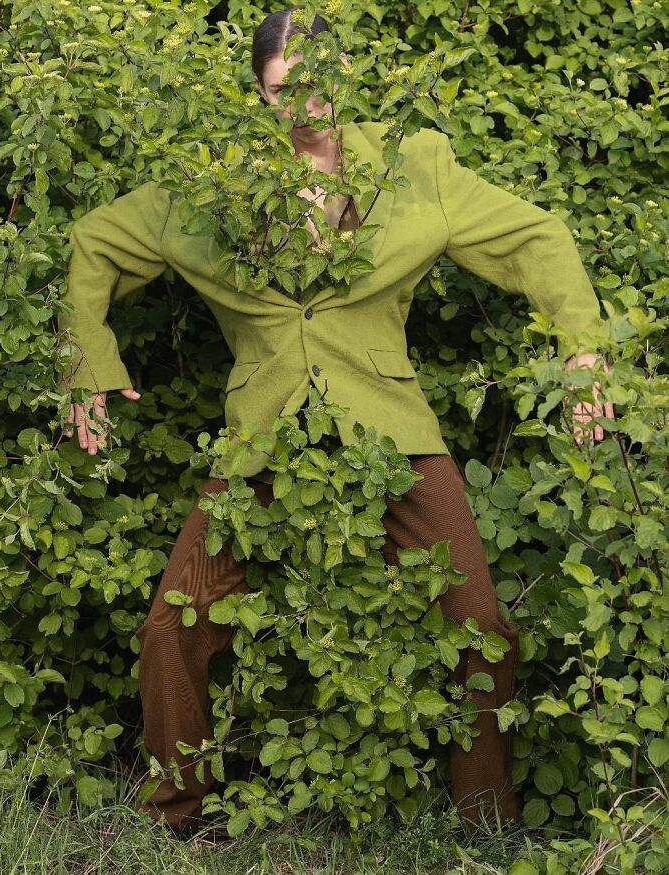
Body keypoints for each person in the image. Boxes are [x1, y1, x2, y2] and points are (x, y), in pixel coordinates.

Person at [59, 4, 613, 835]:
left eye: (318, 87)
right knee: (171, 627)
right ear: (258, 92)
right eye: (285, 92)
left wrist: (583, 346)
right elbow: (96, 241)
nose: (306, 107)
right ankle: (175, 821)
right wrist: (87, 368)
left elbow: (536, 237)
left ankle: (488, 825)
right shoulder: (212, 184)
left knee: (481, 625)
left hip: (393, 429)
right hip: (262, 433)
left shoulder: (414, 164)